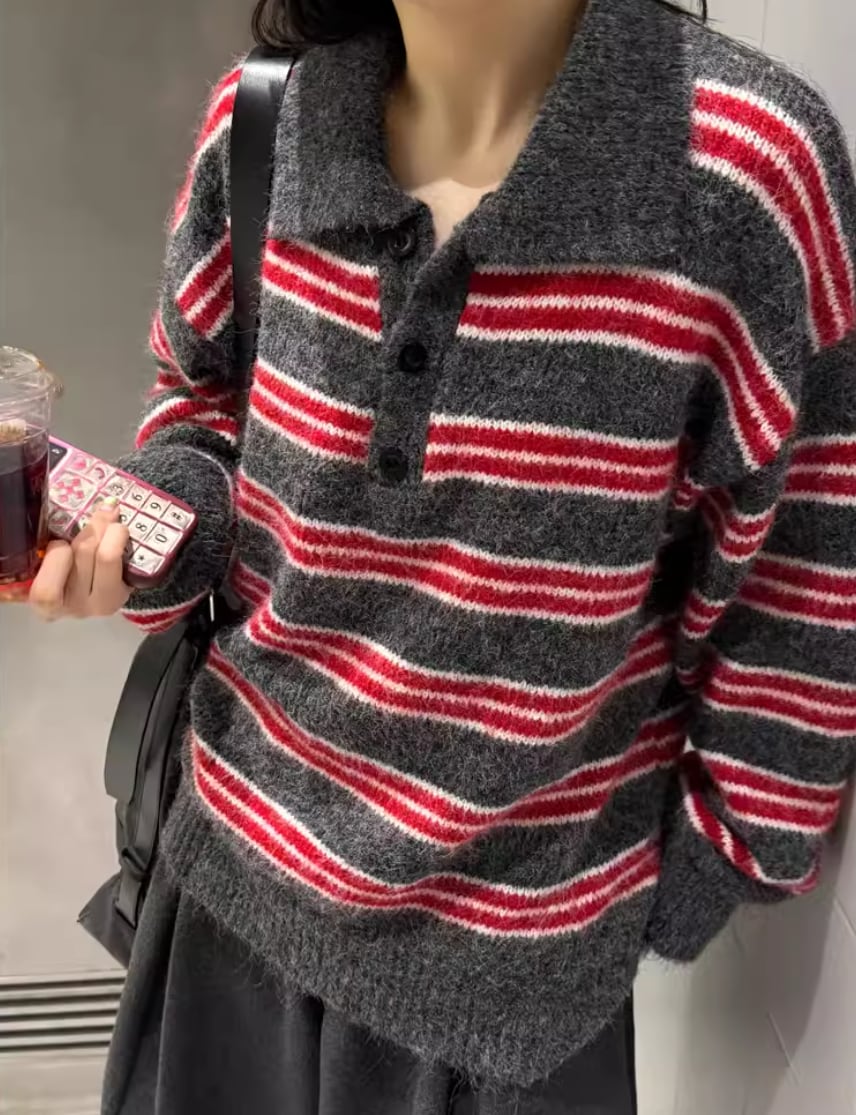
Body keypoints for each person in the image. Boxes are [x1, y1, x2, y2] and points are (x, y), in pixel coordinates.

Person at [29, 0, 856, 1111]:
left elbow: (800, 574)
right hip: (226, 897)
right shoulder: (265, 123)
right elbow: (206, 408)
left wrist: (705, 869)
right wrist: (149, 534)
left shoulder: (745, 170)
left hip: (514, 994)